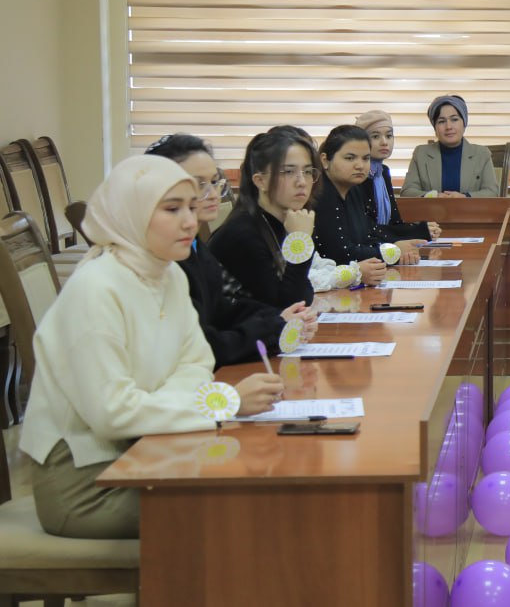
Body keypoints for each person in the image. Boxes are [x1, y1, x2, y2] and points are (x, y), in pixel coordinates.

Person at [18, 156, 282, 539]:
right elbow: (112, 413)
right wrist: (222, 403)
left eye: (192, 208)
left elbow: (195, 362)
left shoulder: (167, 272)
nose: (191, 222)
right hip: (87, 483)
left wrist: (167, 401)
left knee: (264, 485)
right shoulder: (96, 288)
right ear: (131, 212)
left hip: (147, 448)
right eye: (172, 209)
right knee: (244, 510)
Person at [146, 134, 318, 367]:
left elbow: (225, 310)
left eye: (215, 182)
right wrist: (274, 325)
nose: (212, 193)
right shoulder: (162, 256)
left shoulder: (193, 246)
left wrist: (278, 319)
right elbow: (202, 345)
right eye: (198, 184)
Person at [209, 125, 322, 308]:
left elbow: (303, 295)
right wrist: (300, 241)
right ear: (260, 180)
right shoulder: (242, 234)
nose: (302, 182)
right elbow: (287, 306)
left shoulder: (285, 221)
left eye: (308, 171)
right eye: (288, 172)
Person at [313, 125, 435, 281]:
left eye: (366, 158)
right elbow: (341, 253)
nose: (359, 165)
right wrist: (394, 252)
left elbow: (369, 233)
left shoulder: (354, 189)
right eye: (350, 158)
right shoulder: (321, 195)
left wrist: (399, 246)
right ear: (325, 160)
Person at [351, 110, 445, 238]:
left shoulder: (383, 171)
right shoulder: (357, 175)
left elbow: (394, 222)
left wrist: (421, 229)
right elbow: (367, 229)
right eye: (375, 136)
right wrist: (416, 231)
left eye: (389, 136)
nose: (384, 142)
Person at [401, 95, 501, 198]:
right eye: (441, 121)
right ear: (435, 127)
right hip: (432, 213)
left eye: (454, 119)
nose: (448, 127)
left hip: (470, 213)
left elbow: (492, 192)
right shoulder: (420, 153)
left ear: (464, 123)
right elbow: (407, 192)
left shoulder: (482, 154)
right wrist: (434, 196)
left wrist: (465, 197)